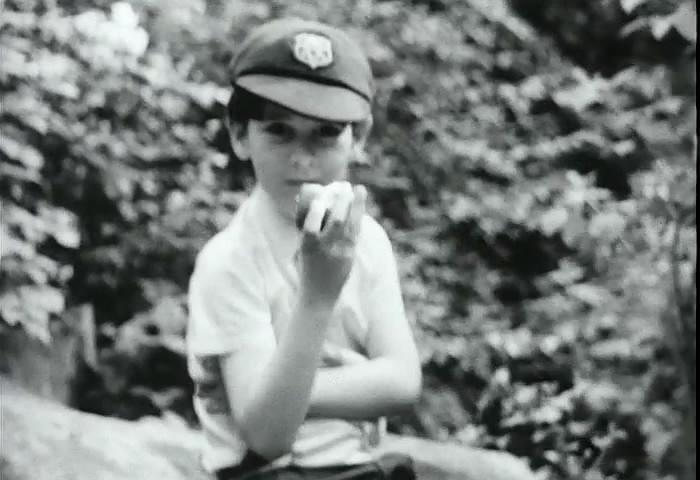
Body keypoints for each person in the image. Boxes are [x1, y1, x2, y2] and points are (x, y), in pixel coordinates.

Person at [186, 17, 423, 479]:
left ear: (359, 137)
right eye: (279, 130)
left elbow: (403, 381)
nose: (302, 157)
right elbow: (266, 435)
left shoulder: (368, 240)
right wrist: (317, 297)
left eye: (326, 132)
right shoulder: (229, 261)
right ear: (239, 134)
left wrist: (285, 390)